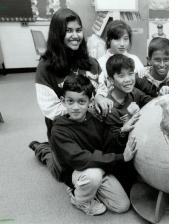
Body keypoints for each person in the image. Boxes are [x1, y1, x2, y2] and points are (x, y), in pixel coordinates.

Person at [29, 8, 112, 181]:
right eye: (68, 31)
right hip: (65, 132)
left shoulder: (90, 62)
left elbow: (101, 86)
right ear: (57, 34)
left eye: (78, 30)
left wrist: (99, 95)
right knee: (63, 174)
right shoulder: (45, 67)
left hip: (91, 128)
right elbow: (50, 108)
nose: (75, 35)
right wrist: (86, 106)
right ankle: (42, 150)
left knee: (99, 161)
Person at [51, 75, 135, 216]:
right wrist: (120, 158)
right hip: (79, 171)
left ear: (90, 101)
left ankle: (91, 188)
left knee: (122, 206)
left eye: (81, 102)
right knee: (93, 176)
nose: (76, 107)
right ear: (63, 101)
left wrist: (121, 131)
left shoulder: (95, 118)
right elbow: (79, 159)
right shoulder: (58, 130)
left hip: (98, 165)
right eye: (70, 101)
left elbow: (107, 142)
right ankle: (79, 199)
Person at [100, 54, 152, 192]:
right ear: (111, 80)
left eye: (130, 74)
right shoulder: (108, 107)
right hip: (119, 157)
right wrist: (126, 124)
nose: (128, 80)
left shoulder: (134, 93)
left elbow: (152, 103)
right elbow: (111, 144)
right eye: (121, 76)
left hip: (135, 150)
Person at [97, 20, 144, 98]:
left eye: (125, 39)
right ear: (108, 40)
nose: (122, 44)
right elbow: (99, 91)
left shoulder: (135, 59)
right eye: (117, 39)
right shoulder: (100, 63)